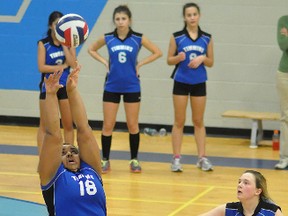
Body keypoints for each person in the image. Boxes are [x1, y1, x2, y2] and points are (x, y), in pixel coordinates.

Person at [88, 5, 162, 173]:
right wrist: (104, 62)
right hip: (112, 85)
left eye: (123, 19)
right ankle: (105, 159)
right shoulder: (108, 38)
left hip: (132, 86)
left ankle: (134, 160)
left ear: (129, 20)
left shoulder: (137, 38)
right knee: (108, 125)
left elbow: (158, 52)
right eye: (117, 19)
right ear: (114, 21)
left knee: (132, 125)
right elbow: (91, 49)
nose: (120, 22)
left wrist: (140, 63)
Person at [38, 66, 107, 215]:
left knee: (85, 131)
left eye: (74, 151)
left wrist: (72, 91)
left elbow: (84, 129)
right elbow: (53, 135)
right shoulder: (54, 177)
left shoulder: (91, 169)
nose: (70, 154)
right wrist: (50, 95)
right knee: (55, 137)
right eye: (63, 152)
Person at [167, 3, 214, 172]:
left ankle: (202, 157)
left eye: (195, 14)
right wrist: (178, 57)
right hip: (181, 81)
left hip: (199, 82)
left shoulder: (206, 38)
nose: (192, 17)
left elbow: (211, 62)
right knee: (179, 121)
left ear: (199, 16)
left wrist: (202, 58)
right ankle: (176, 159)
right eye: (189, 15)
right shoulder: (177, 37)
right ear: (184, 17)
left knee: (198, 121)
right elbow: (169, 60)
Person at [37, 11, 77, 153]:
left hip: (64, 86)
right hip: (48, 87)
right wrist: (61, 67)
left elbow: (73, 63)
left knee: (68, 124)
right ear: (50, 26)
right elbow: (41, 67)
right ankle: (43, 158)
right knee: (45, 126)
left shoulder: (69, 43)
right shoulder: (43, 44)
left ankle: (68, 155)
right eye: (56, 25)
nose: (58, 28)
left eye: (61, 25)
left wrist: (65, 45)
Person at [198, 170, 283, 216]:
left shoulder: (272, 212)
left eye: (246, 183)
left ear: (258, 191)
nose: (240, 185)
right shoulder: (229, 209)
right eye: (239, 182)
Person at [275, 15, 288, 170]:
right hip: (284, 74)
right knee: (285, 116)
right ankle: (284, 157)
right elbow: (283, 44)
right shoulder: (283, 20)